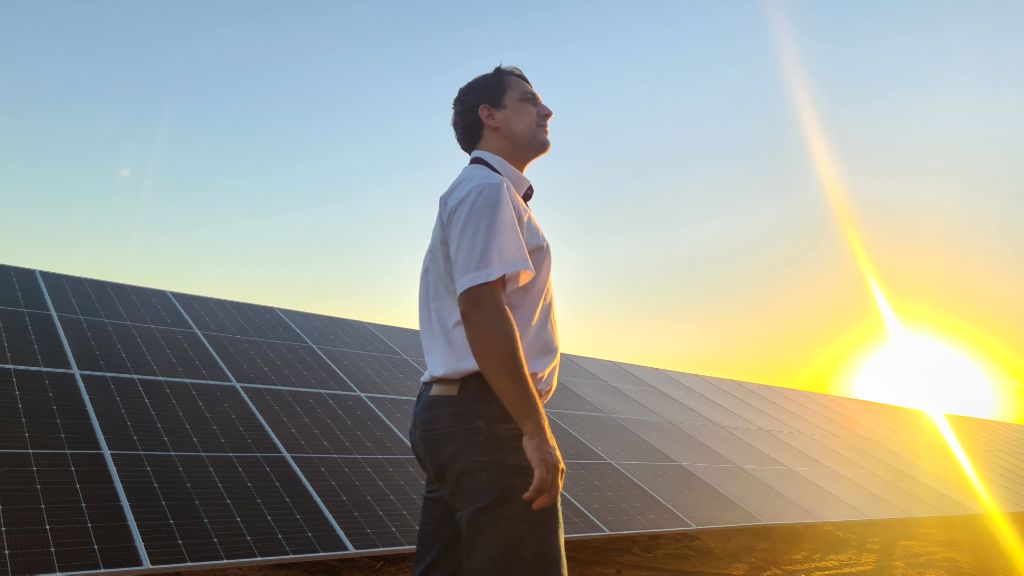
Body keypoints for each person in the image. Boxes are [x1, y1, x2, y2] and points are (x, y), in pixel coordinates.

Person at [410, 65, 566, 575]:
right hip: (485, 417)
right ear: (490, 116)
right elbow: (481, 308)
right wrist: (533, 428)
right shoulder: (485, 191)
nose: (545, 111)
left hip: (458, 416)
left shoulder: (481, 192)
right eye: (528, 100)